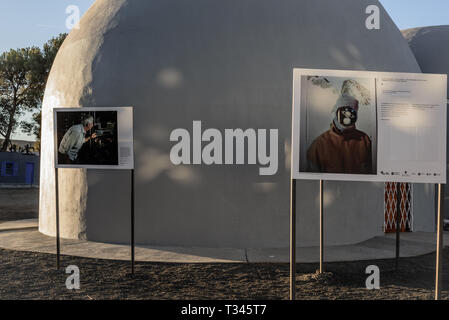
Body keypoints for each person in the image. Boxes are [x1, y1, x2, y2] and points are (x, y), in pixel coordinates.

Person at [307, 94, 373, 174]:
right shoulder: (319, 145)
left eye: (351, 113)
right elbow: (312, 179)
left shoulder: (365, 141)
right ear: (335, 113)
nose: (347, 118)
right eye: (344, 113)